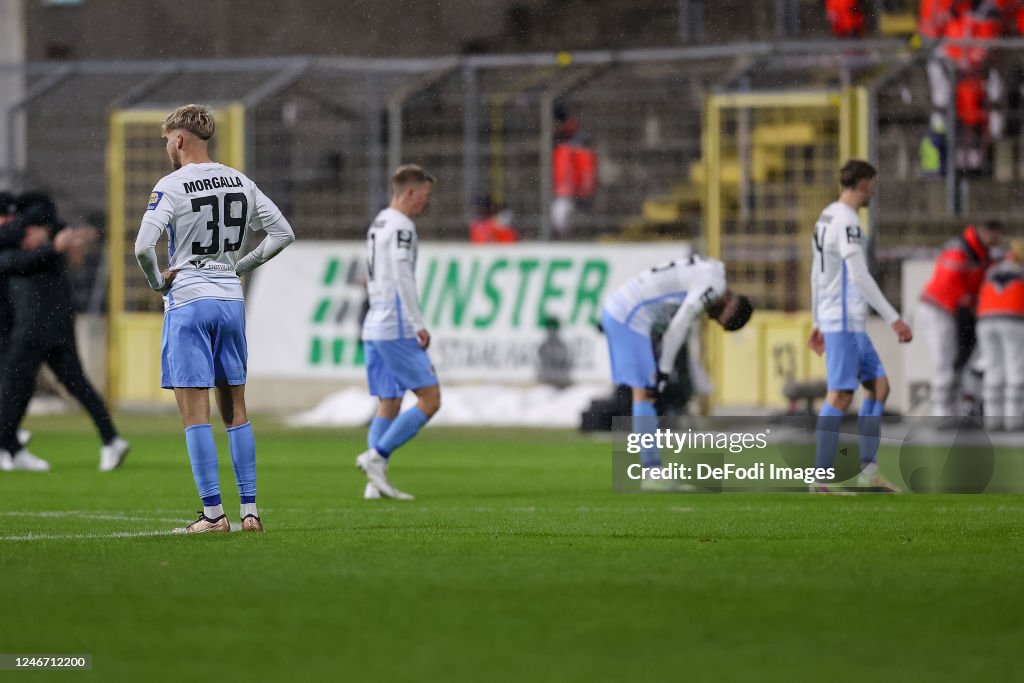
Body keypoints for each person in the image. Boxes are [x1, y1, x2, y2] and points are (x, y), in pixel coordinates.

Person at [134, 104, 295, 533]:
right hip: (230, 302)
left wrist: (157, 281)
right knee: (236, 410)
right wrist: (239, 267)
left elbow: (142, 248)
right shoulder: (240, 180)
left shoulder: (171, 185)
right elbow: (283, 233)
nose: (168, 146)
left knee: (194, 414)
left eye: (168, 140)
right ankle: (250, 511)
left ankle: (212, 515)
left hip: (189, 300)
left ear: (180, 139)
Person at [600, 254, 754, 490]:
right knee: (645, 392)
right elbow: (679, 324)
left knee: (644, 392)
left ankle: (653, 469)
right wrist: (664, 370)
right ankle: (652, 471)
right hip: (630, 315)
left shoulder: (713, 270)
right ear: (731, 306)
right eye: (719, 318)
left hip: (626, 309)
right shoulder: (713, 287)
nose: (712, 317)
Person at [0, 200, 129, 472]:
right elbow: (19, 258)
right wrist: (54, 243)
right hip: (38, 330)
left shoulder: (41, 251)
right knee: (22, 390)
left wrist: (61, 241)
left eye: (34, 229)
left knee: (20, 389)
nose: (27, 235)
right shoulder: (22, 247)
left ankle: (9, 444)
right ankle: (11, 444)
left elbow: (30, 257)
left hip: (38, 332)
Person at [808, 159, 913, 493]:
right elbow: (858, 275)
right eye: (874, 183)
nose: (874, 190)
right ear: (865, 183)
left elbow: (816, 272)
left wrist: (815, 319)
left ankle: (868, 470)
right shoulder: (849, 221)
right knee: (839, 395)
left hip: (838, 318)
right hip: (843, 321)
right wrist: (892, 317)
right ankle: (820, 478)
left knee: (879, 387)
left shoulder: (826, 215)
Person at [356, 164, 441, 501]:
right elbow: (403, 274)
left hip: (374, 325)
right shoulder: (403, 227)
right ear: (409, 192)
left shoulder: (379, 222)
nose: (426, 202)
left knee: (388, 403)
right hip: (395, 326)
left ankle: (374, 482)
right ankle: (376, 456)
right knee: (431, 399)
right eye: (424, 195)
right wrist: (418, 323)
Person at [917, 220, 1002, 416]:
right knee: (944, 364)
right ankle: (941, 413)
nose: (998, 240)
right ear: (985, 232)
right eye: (996, 235)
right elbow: (949, 286)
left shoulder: (982, 253)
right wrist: (971, 305)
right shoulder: (960, 250)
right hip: (939, 309)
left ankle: (952, 411)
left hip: (954, 311)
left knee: (957, 364)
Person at [976, 239, 1024, 431]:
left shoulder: (993, 270)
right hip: (1013, 319)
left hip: (985, 320)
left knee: (993, 368)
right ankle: (1014, 420)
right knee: (1016, 368)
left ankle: (992, 419)